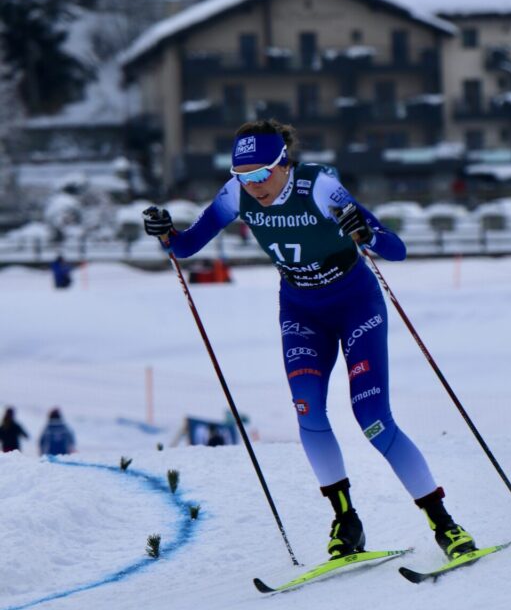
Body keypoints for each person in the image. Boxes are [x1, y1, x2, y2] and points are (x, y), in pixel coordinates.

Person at [142, 119, 476, 561]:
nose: (254, 185)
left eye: (262, 173)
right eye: (244, 176)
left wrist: (368, 233)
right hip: (301, 312)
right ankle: (345, 522)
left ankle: (444, 524)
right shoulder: (235, 194)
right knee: (308, 413)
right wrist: (167, 232)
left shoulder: (319, 187)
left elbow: (396, 249)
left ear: (284, 163)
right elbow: (184, 248)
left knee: (373, 419)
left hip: (356, 304)